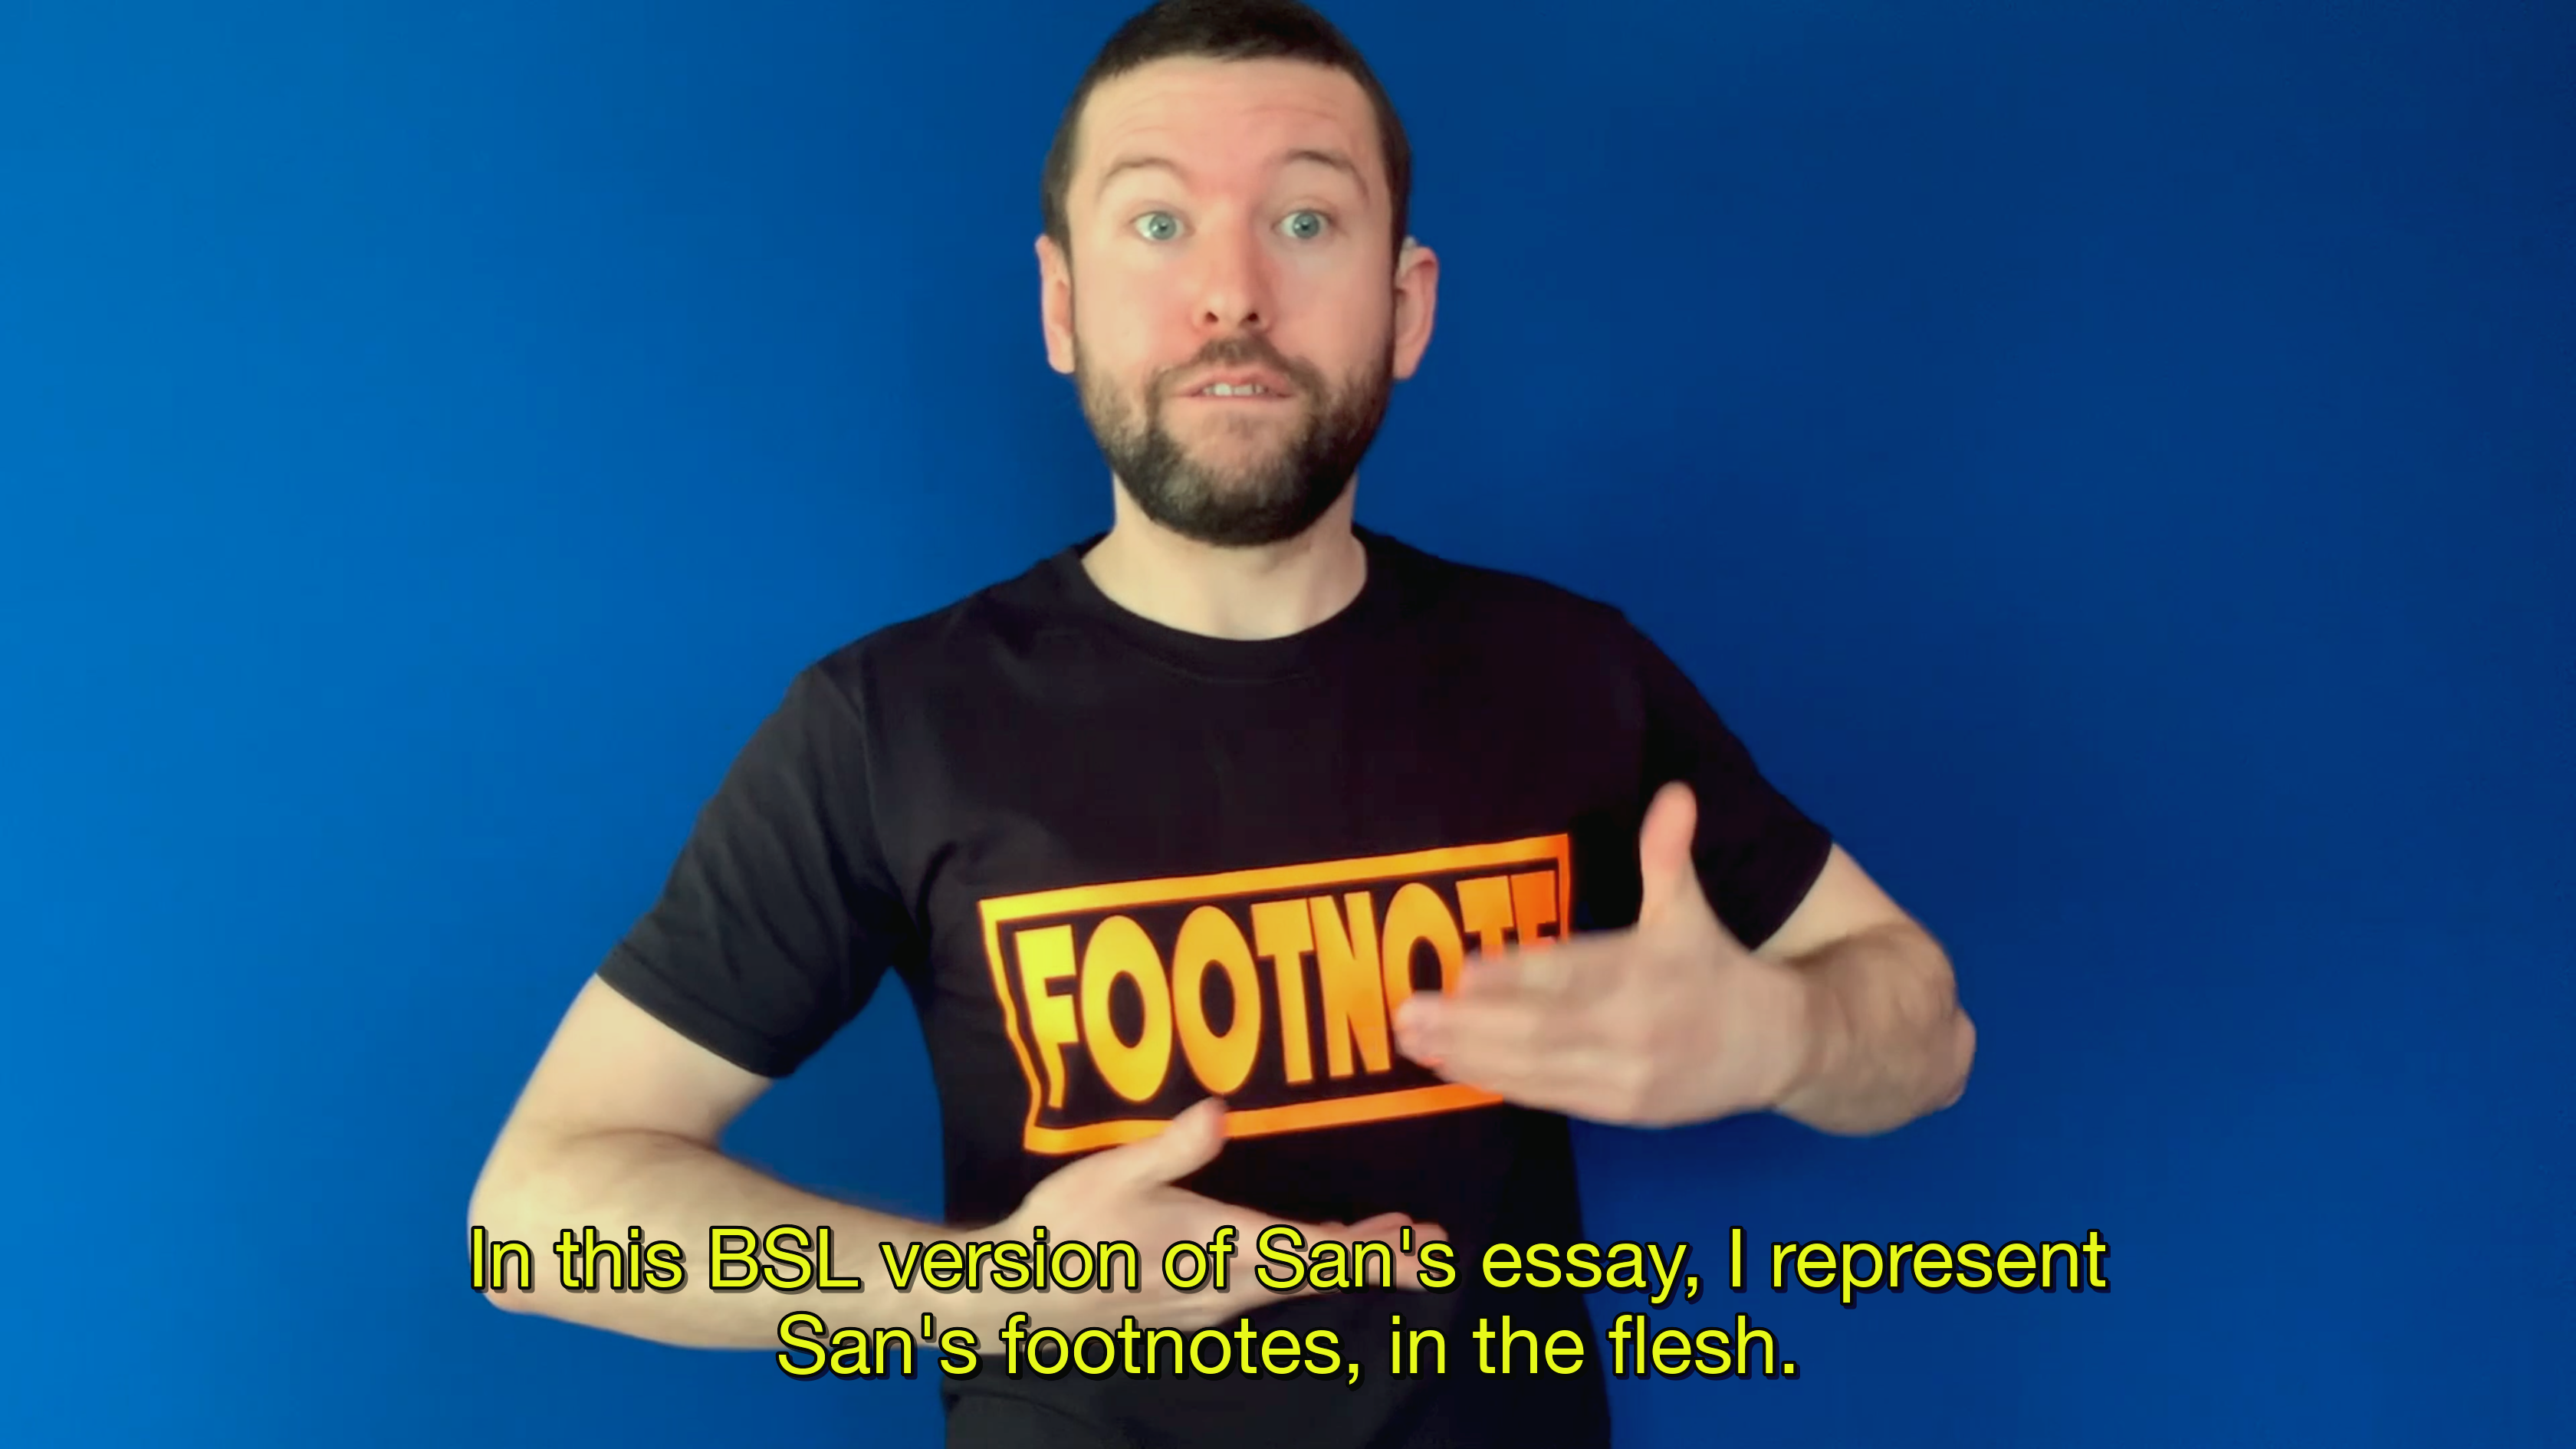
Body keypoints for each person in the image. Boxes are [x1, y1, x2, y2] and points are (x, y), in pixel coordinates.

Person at [468, 1, 1976, 1444]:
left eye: (1307, 219)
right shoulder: (884, 724)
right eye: (1158, 220)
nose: (1235, 289)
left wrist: (1785, 1032)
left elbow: (1926, 1030)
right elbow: (537, 1222)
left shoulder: (1571, 670)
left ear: (1407, 307)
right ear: (1062, 307)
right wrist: (990, 1293)